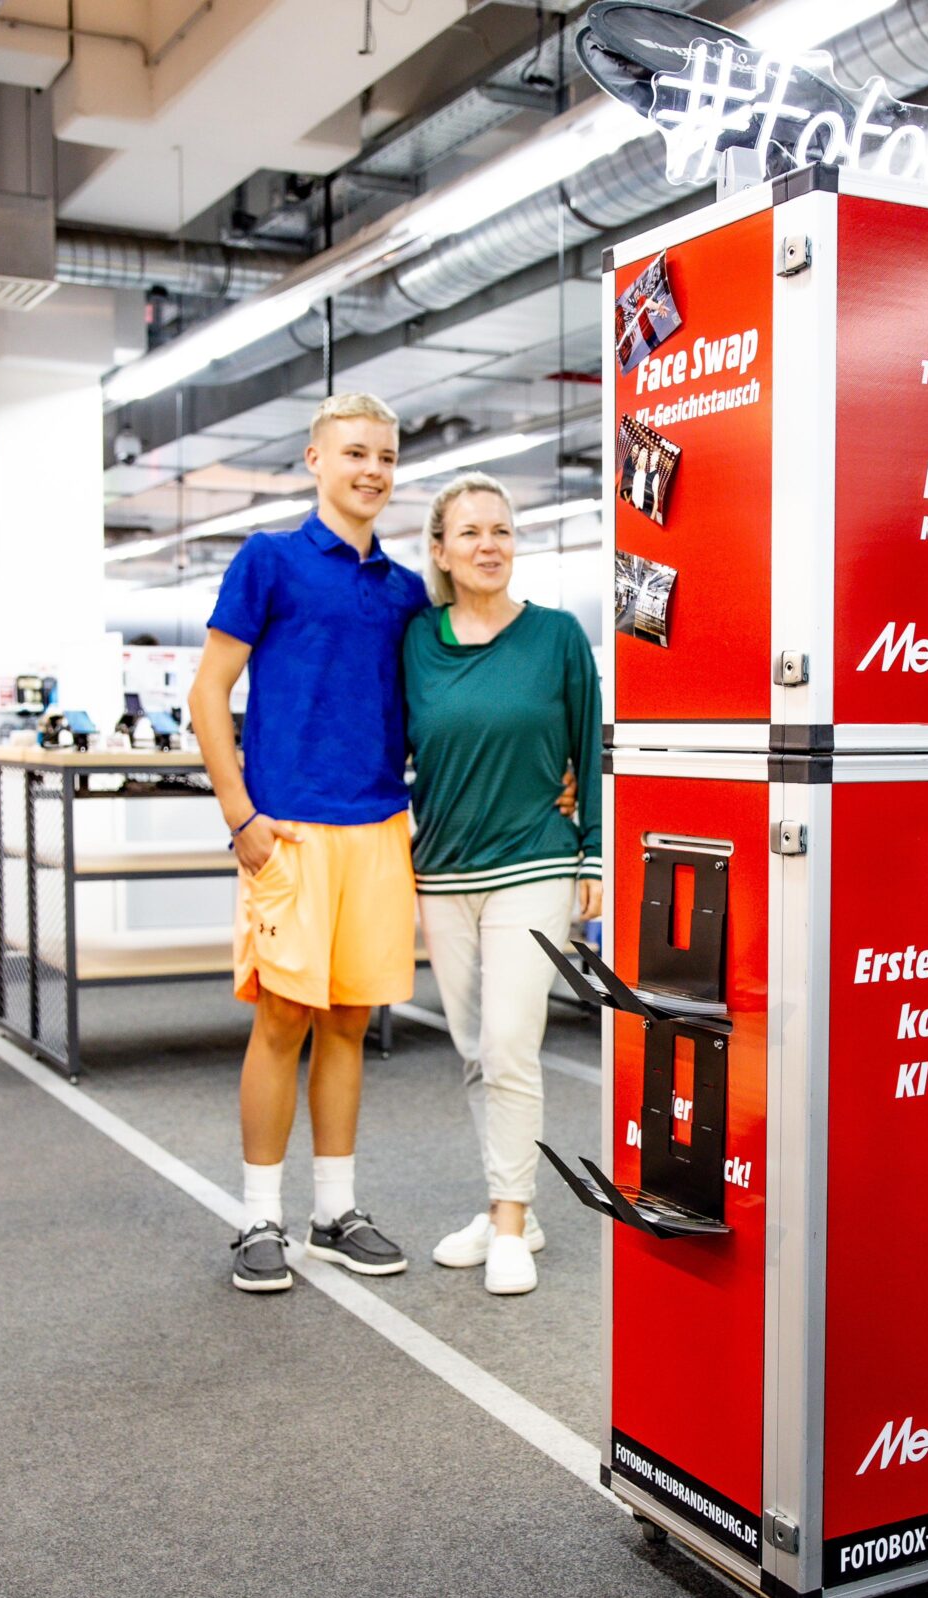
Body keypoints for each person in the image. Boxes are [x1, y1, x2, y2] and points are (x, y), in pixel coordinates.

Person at [189, 393, 431, 1294]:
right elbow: (208, 692)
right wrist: (240, 815)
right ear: (315, 460)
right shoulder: (270, 562)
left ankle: (334, 1211)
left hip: (378, 828)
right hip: (286, 830)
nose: (373, 470)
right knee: (281, 1020)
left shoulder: (405, 590)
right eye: (356, 453)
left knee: (349, 1022)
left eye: (387, 457)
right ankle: (260, 1216)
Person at [403, 474, 602, 1297]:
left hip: (535, 862)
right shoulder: (415, 640)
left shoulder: (557, 637)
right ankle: (506, 1197)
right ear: (441, 551)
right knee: (472, 1048)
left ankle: (512, 1222)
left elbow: (592, 746)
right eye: (471, 532)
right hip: (444, 868)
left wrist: (592, 852)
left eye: (503, 529)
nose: (490, 544)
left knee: (511, 1042)